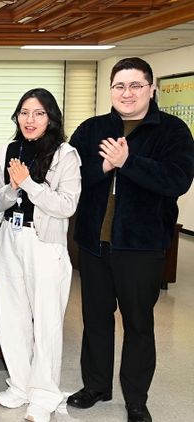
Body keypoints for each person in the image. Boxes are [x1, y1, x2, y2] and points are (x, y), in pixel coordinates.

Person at [67, 57, 194, 422]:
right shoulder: (92, 129)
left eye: (136, 85)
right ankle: (96, 386)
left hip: (141, 246)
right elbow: (71, 178)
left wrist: (128, 163)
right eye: (119, 86)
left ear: (151, 89)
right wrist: (104, 166)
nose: (127, 93)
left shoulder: (172, 131)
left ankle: (136, 399)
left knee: (138, 324)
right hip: (94, 243)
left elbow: (177, 180)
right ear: (111, 90)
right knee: (95, 319)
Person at [0, 88, 81, 422]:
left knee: (46, 320)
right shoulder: (6, 151)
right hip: (10, 237)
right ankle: (20, 384)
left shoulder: (65, 154)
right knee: (11, 315)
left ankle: (44, 395)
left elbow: (66, 205)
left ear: (51, 118)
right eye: (24, 113)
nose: (30, 120)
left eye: (39, 113)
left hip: (44, 244)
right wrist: (11, 189)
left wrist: (29, 184)